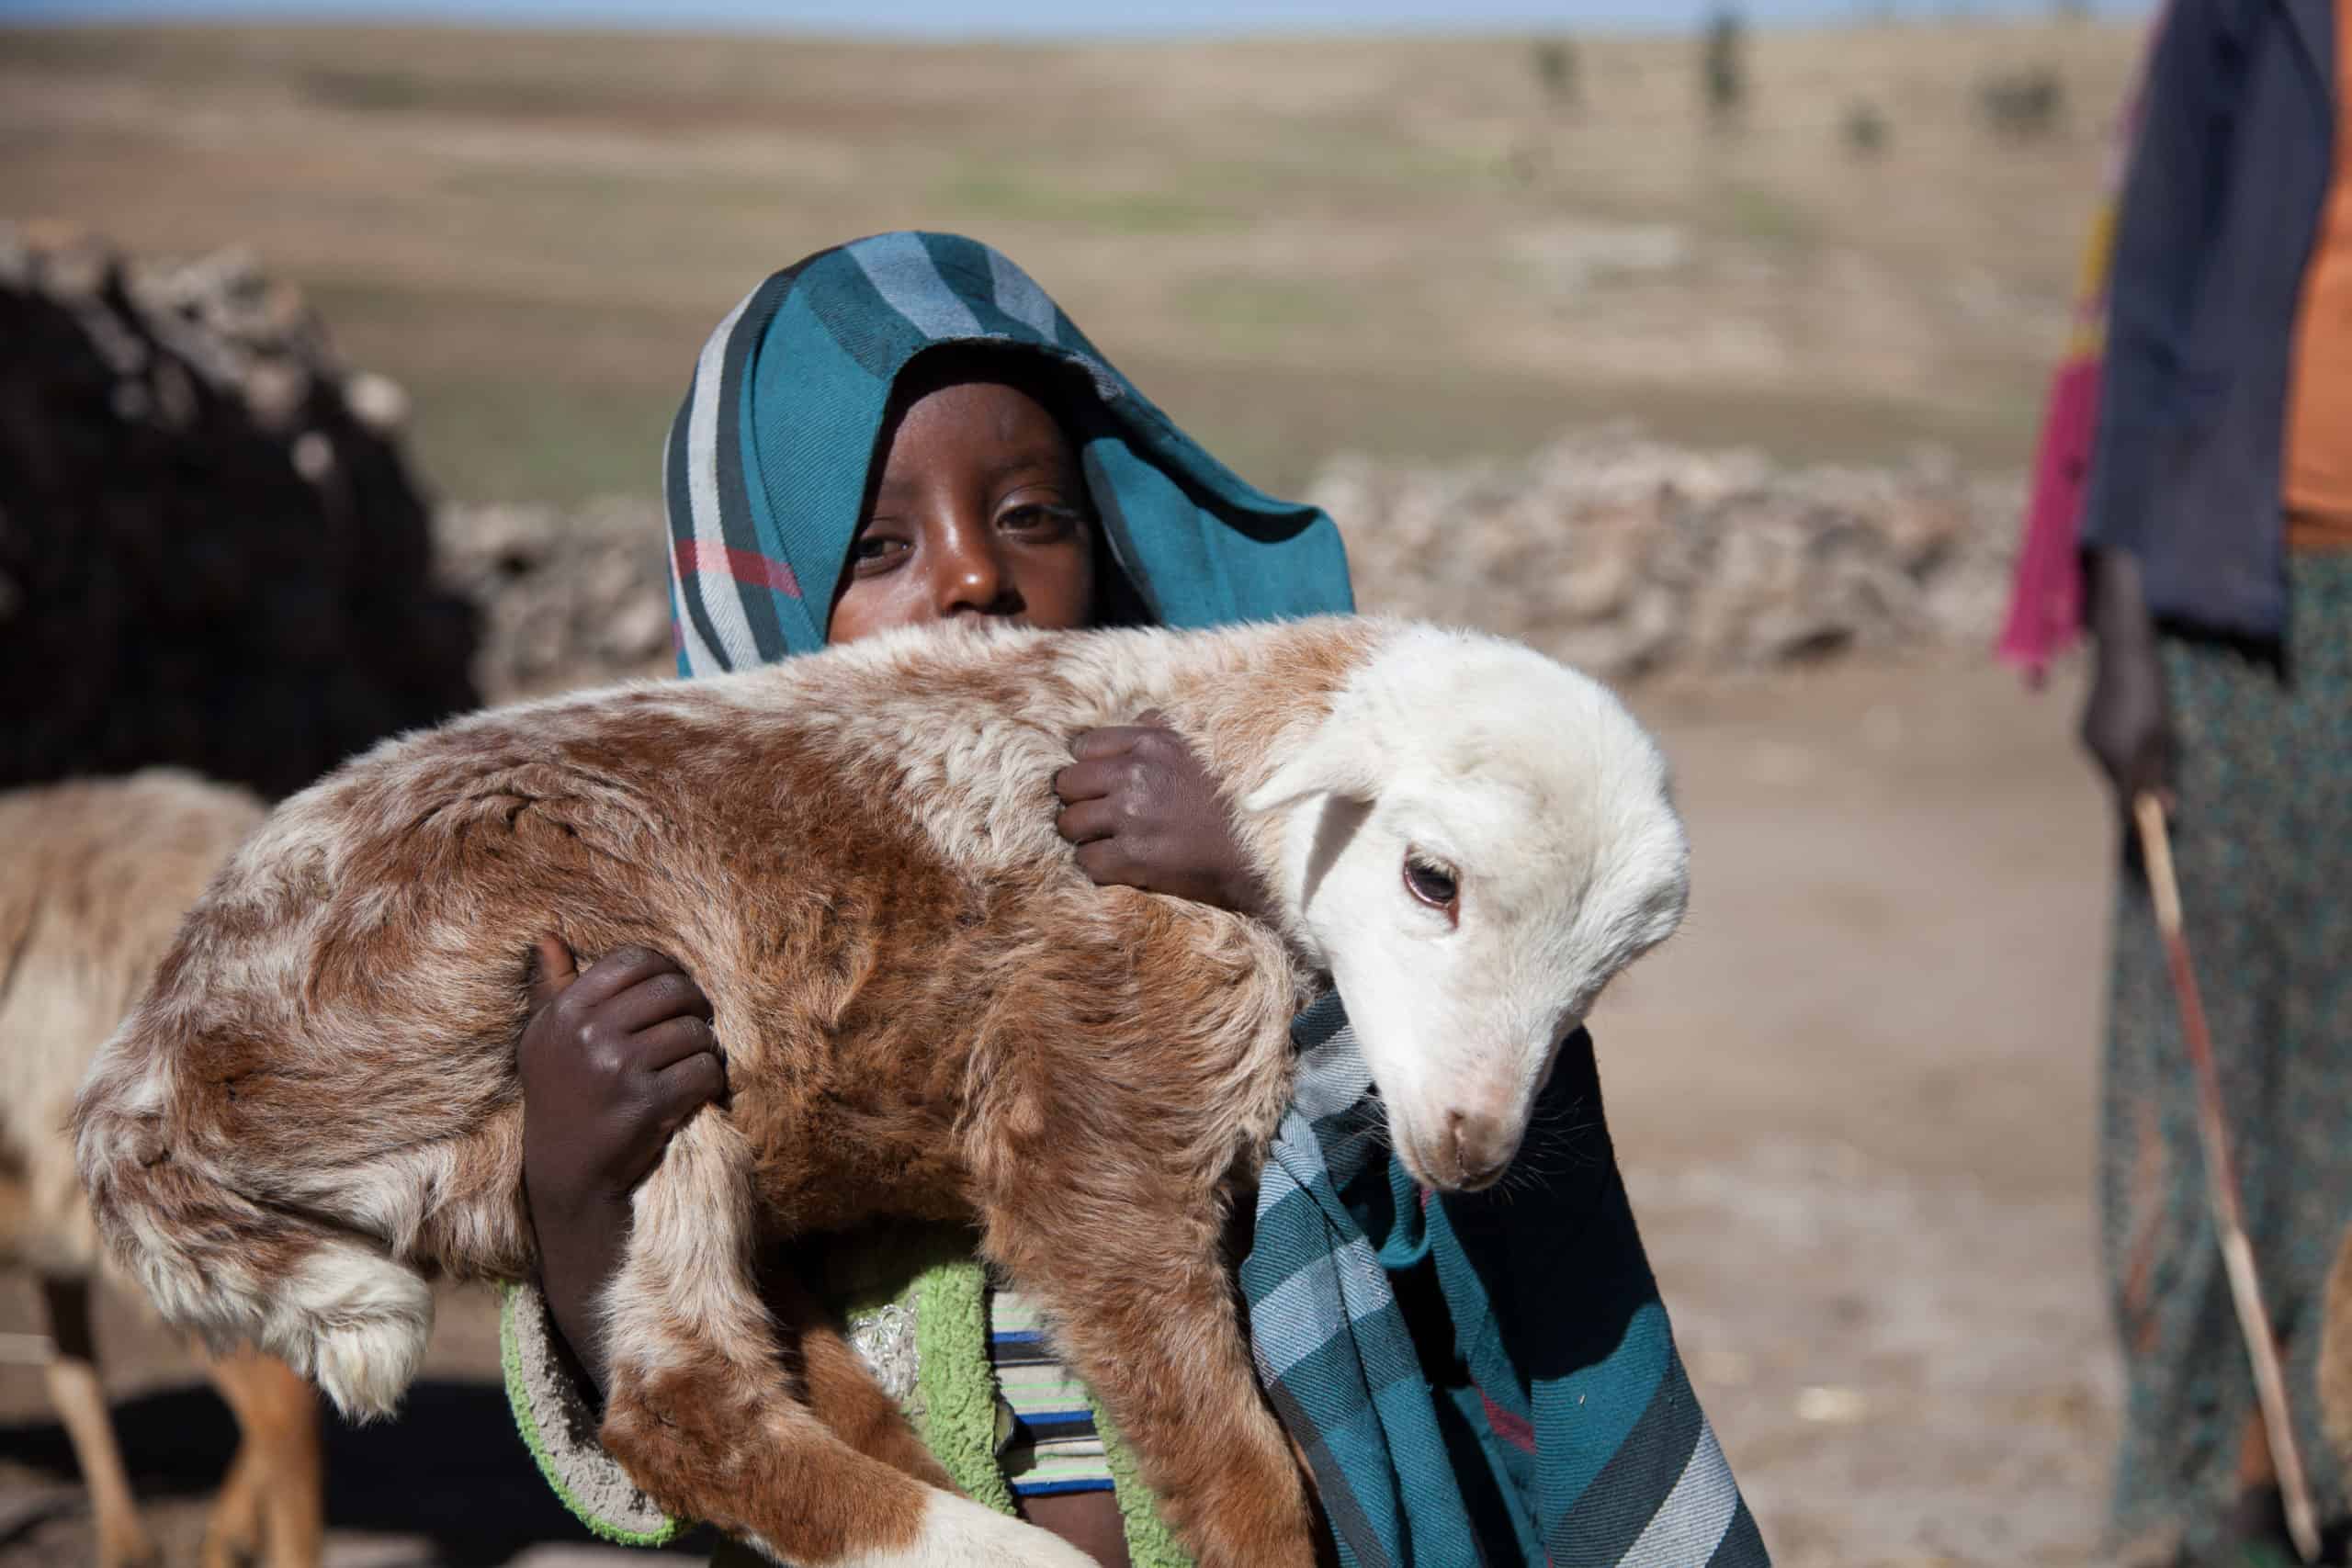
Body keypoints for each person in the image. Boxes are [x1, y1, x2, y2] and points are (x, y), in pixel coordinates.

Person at [499, 231, 1770, 1567]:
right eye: (877, 543)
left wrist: (1264, 886)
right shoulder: (709, 952)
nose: (976, 573)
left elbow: (1458, 1212)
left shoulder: (1253, 836)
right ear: (753, 614)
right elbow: (669, 1430)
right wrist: (574, 1183)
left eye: (1031, 516)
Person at [2007, 0, 2352, 1561]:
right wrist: (2124, 634)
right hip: (2248, 596)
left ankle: (2334, 1452)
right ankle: (2206, 1490)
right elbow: (2147, 317)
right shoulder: (2251, 16)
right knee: (2216, 1052)